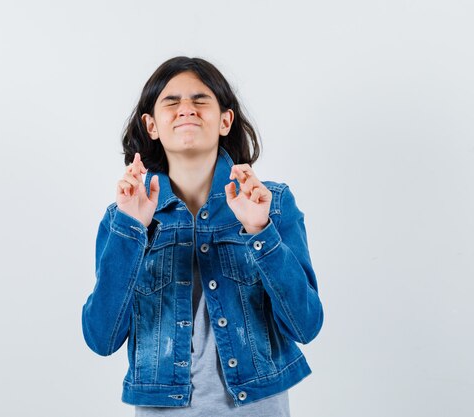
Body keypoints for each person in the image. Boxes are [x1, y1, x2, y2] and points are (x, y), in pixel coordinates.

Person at [82, 56, 323, 416]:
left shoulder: (271, 204)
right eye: (171, 101)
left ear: (225, 120)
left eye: (200, 99)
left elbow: (305, 325)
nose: (186, 109)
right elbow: (102, 339)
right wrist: (131, 232)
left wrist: (261, 232)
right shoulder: (125, 217)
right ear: (152, 125)